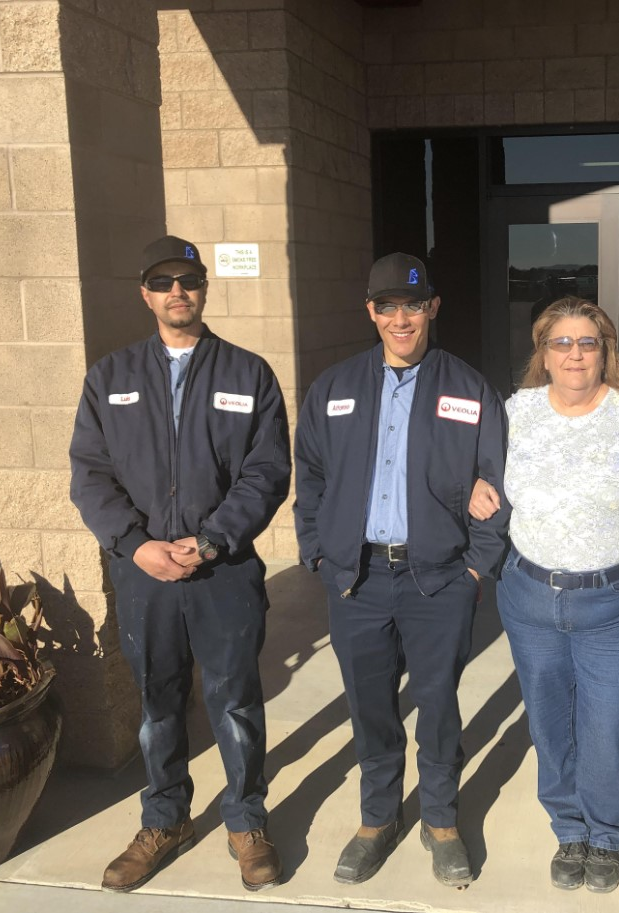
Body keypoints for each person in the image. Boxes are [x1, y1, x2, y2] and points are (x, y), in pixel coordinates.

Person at [69, 235, 290, 893]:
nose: (177, 292)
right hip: (144, 574)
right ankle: (166, 818)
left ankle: (246, 820)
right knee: (157, 701)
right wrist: (135, 544)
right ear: (145, 292)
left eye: (188, 280)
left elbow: (267, 470)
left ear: (203, 289)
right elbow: (90, 474)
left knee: (234, 698)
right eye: (164, 281)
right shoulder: (110, 378)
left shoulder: (247, 374)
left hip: (222, 570)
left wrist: (213, 539)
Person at [293, 252, 509, 888]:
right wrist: (316, 551)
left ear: (432, 308)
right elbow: (311, 475)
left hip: (438, 580)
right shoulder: (333, 389)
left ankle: (441, 821)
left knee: (438, 704)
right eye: (387, 306)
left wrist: (476, 568)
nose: (401, 318)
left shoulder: (469, 390)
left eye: (413, 305)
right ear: (371, 311)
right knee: (370, 708)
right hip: (356, 580)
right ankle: (377, 819)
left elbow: (498, 483)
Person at [468, 298, 619, 894]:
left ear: (606, 353)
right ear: (542, 353)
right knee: (549, 722)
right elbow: (465, 461)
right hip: (530, 596)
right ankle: (568, 826)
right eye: (561, 343)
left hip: (616, 601)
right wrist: (471, 483)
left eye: (587, 343)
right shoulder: (512, 411)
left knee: (609, 725)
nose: (574, 354)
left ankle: (607, 833)